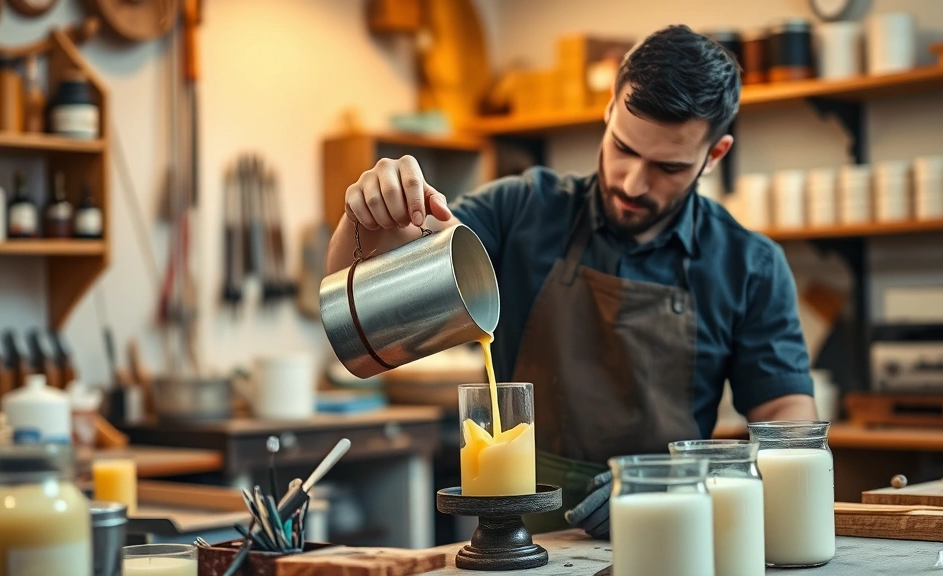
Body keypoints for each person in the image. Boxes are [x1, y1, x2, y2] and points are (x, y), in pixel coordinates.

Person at [325, 24, 818, 538]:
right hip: (519, 540)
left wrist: (679, 484)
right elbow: (360, 308)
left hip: (674, 536)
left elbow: (788, 419)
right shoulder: (522, 210)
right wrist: (368, 219)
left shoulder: (749, 264)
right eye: (623, 148)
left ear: (714, 154)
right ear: (609, 111)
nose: (633, 183)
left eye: (668, 167)